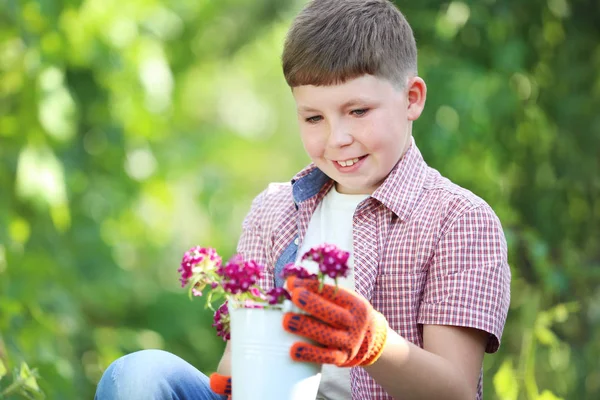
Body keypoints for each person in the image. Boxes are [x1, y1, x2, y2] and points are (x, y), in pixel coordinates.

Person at [95, 0, 511, 399]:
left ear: (412, 98)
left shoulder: (459, 220)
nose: (337, 138)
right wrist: (233, 379)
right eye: (314, 118)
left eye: (358, 111)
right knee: (136, 376)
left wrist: (374, 345)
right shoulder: (276, 212)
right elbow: (238, 361)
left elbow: (455, 389)